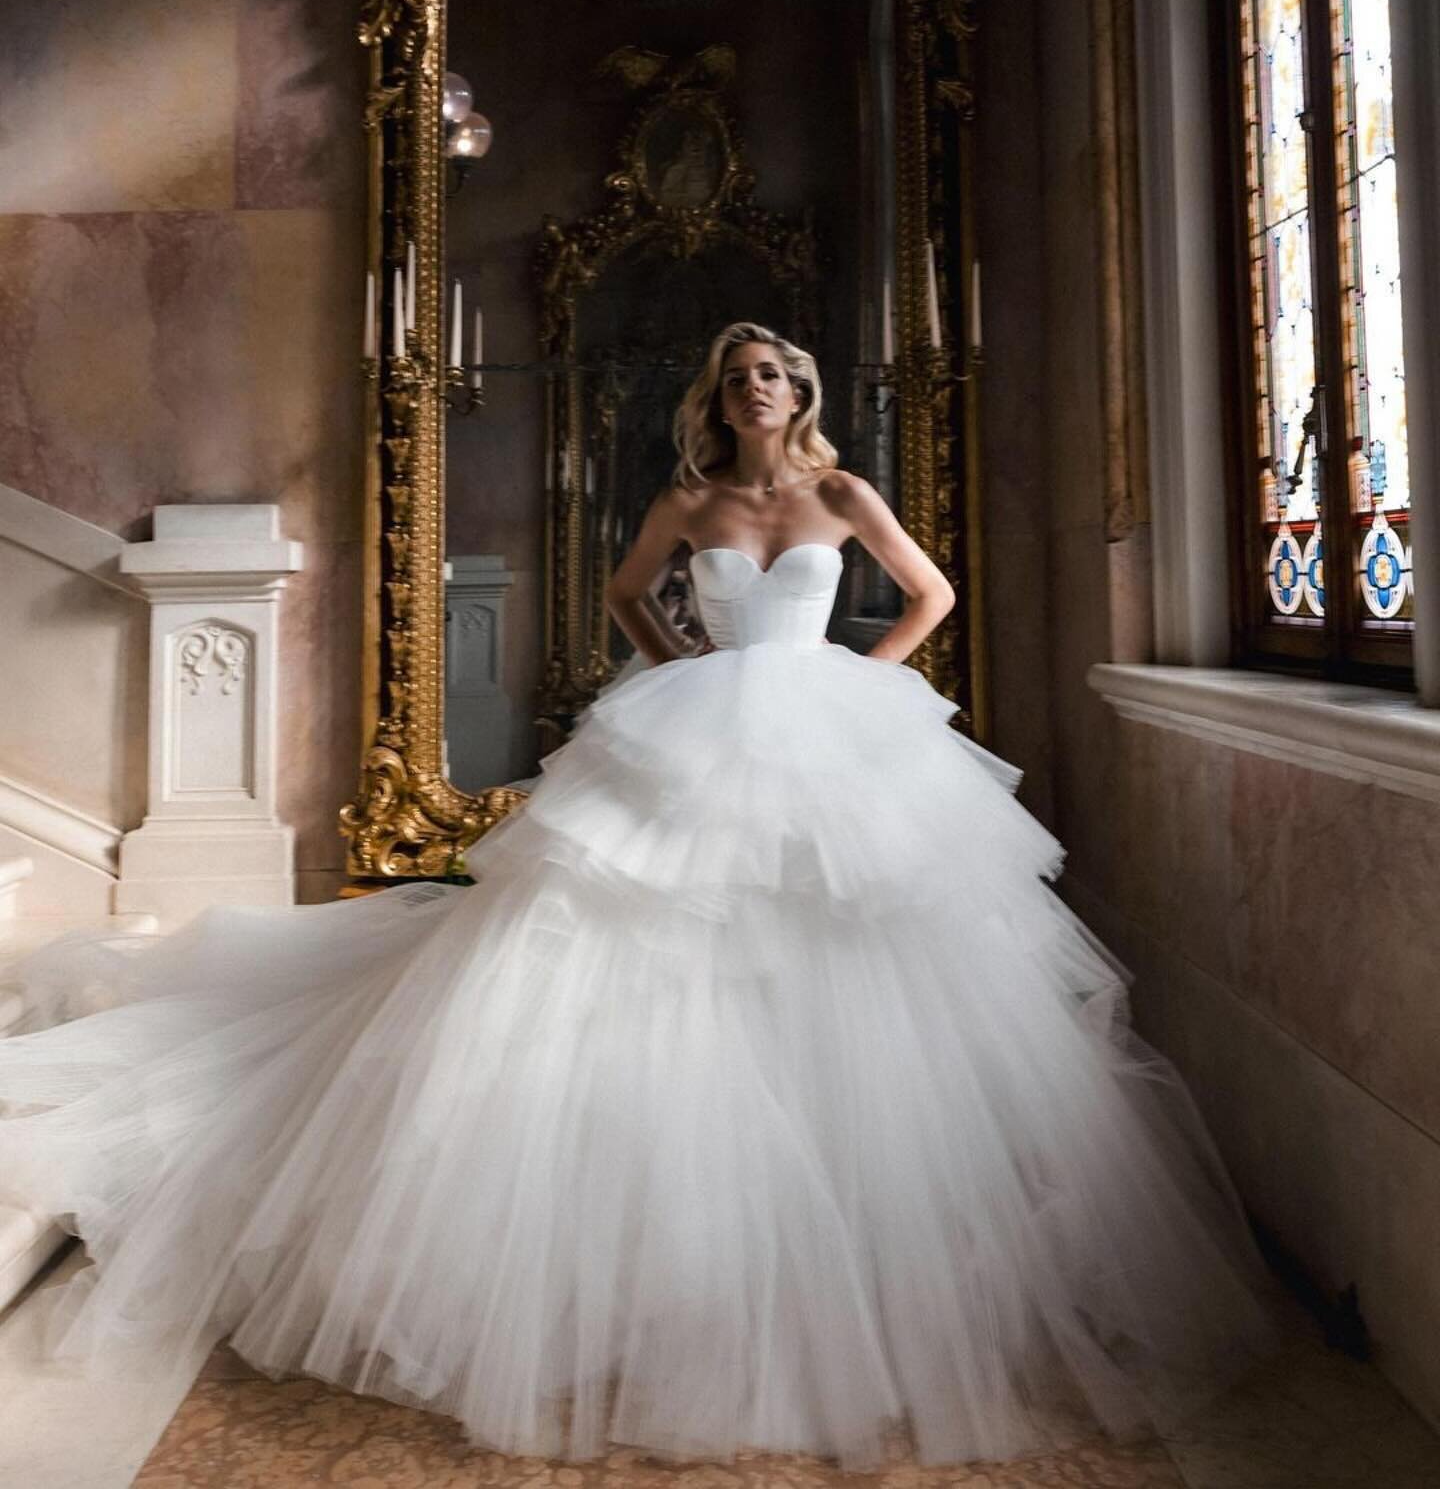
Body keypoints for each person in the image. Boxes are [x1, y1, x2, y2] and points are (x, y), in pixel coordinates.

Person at [0, 320, 1275, 1468]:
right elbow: (624, 596)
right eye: (738, 379)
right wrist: (681, 666)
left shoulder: (842, 489)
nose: (758, 390)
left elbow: (931, 593)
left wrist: (864, 679)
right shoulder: (692, 496)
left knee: (842, 939)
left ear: (802, 391)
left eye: (773, 373)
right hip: (698, 723)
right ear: (717, 403)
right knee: (634, 934)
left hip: (833, 724)